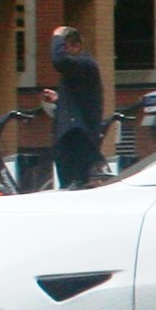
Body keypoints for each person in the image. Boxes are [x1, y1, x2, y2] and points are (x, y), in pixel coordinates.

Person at [44, 24, 106, 189]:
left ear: (76, 45)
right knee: (70, 182)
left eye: (65, 47)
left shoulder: (85, 64)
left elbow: (59, 61)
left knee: (75, 182)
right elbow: (82, 98)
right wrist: (59, 100)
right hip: (74, 133)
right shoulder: (80, 68)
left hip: (78, 135)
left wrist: (57, 36)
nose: (63, 51)